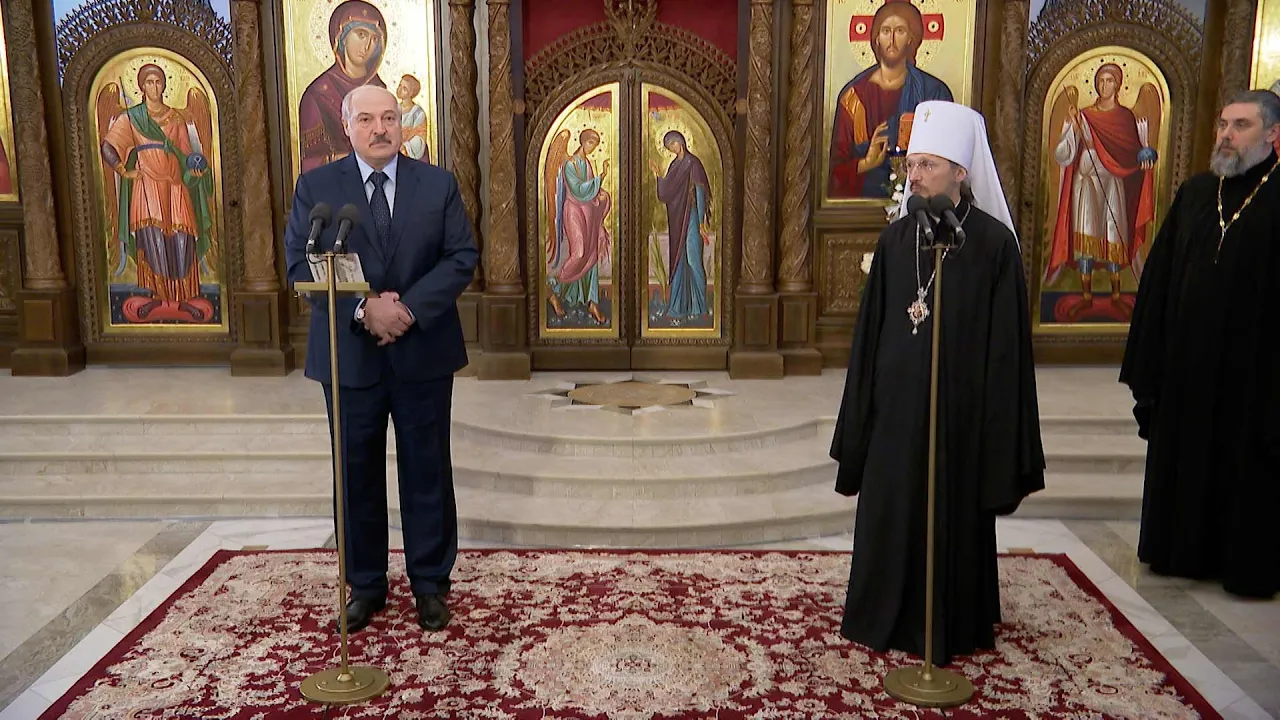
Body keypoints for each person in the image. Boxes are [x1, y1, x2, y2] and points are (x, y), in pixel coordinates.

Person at [830, 100, 1045, 666]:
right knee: (891, 507)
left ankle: (948, 622)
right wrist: (863, 413)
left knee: (949, 515)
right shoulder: (895, 241)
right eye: (912, 165)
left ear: (959, 172)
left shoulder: (994, 246)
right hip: (895, 415)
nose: (915, 175)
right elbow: (870, 336)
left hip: (959, 416)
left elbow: (1006, 352)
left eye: (927, 165)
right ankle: (881, 612)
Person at [284, 85, 478, 632]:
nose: (380, 129)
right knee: (355, 473)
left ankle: (431, 584)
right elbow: (299, 263)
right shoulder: (317, 188)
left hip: (423, 351)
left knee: (427, 471)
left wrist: (406, 310)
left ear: (402, 124)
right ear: (347, 126)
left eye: (389, 117)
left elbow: (461, 256)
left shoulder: (437, 184)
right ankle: (366, 585)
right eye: (366, 119)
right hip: (349, 356)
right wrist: (364, 309)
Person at [1119, 90, 1280, 599]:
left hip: (1255, 371)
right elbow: (1160, 281)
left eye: (1241, 125)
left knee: (1245, 465)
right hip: (1187, 365)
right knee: (1183, 459)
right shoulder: (1195, 193)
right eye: (1223, 124)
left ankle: (1240, 563)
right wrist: (1150, 357)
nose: (1226, 135)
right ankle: (1178, 552)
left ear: (1272, 134)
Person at [828, 0, 953, 199]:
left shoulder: (933, 92)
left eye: (900, 31)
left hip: (921, 204)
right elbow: (835, 173)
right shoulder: (853, 97)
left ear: (911, 38)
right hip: (861, 207)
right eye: (886, 31)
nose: (892, 40)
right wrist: (866, 163)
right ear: (876, 38)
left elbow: (947, 162)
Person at [297, 0, 387, 173]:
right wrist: (344, 160)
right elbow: (306, 161)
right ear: (342, 37)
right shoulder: (317, 95)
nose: (367, 46)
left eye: (374, 39)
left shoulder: (381, 91)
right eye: (361, 34)